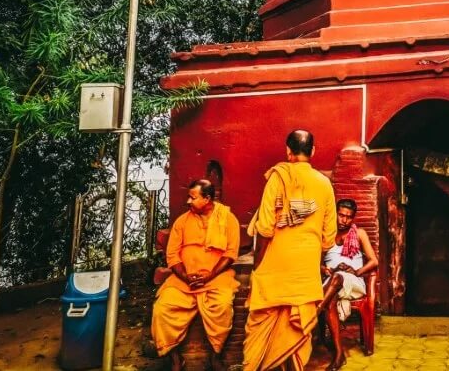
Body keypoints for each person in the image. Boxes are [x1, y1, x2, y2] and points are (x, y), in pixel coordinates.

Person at [243, 129, 337, 371]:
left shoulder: (278, 177)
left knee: (261, 323)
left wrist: (257, 266)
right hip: (305, 270)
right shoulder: (324, 184)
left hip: (275, 265)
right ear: (313, 151)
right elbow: (329, 239)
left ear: (288, 151)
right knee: (298, 327)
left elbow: (264, 227)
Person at [151, 179, 240, 371]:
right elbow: (172, 255)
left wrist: (209, 276)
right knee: (162, 309)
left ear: (207, 198)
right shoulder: (182, 222)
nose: (188, 201)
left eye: (193, 197)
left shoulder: (227, 219)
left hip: (216, 279)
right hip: (183, 281)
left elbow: (231, 253)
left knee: (223, 307)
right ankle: (175, 360)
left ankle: (215, 357)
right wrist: (186, 277)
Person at [321, 199, 377, 370]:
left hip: (353, 282)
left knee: (338, 277)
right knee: (333, 288)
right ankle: (339, 354)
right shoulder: (327, 235)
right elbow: (317, 263)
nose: (344, 220)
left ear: (353, 218)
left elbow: (374, 261)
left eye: (348, 217)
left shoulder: (359, 233)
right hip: (331, 283)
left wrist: (355, 271)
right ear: (335, 213)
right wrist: (325, 269)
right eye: (341, 215)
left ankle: (315, 311)